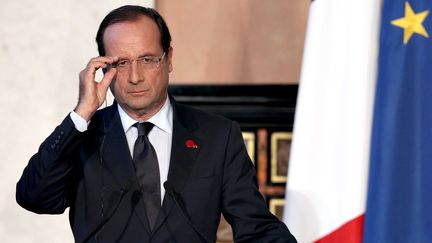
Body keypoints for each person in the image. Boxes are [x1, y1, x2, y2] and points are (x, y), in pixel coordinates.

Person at [16, 5, 297, 243]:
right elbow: (35, 198)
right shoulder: (82, 136)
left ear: (169, 59)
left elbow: (257, 228)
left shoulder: (217, 135)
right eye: (122, 63)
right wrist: (82, 113)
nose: (135, 77)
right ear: (103, 69)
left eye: (147, 60)